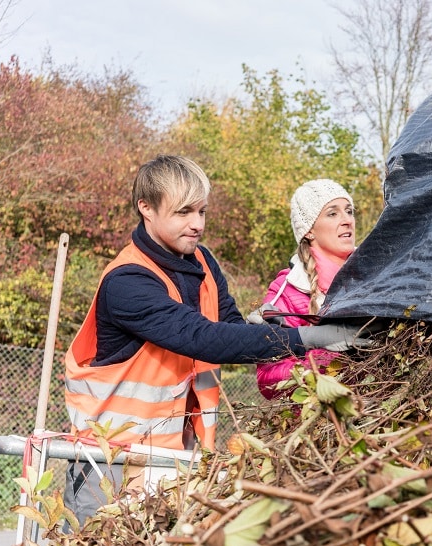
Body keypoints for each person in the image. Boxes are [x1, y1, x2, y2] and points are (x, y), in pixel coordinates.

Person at [63, 156, 366, 525]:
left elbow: (231, 327)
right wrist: (313, 336)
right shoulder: (127, 282)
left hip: (178, 457)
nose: (197, 224)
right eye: (184, 212)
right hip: (111, 461)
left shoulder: (202, 262)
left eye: (203, 211)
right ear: (146, 207)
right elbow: (203, 338)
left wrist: (262, 326)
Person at [249, 179, 357, 399]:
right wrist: (330, 357)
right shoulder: (289, 290)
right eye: (332, 213)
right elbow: (267, 379)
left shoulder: (377, 275)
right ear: (309, 231)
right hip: (325, 423)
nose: (347, 220)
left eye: (349, 211)